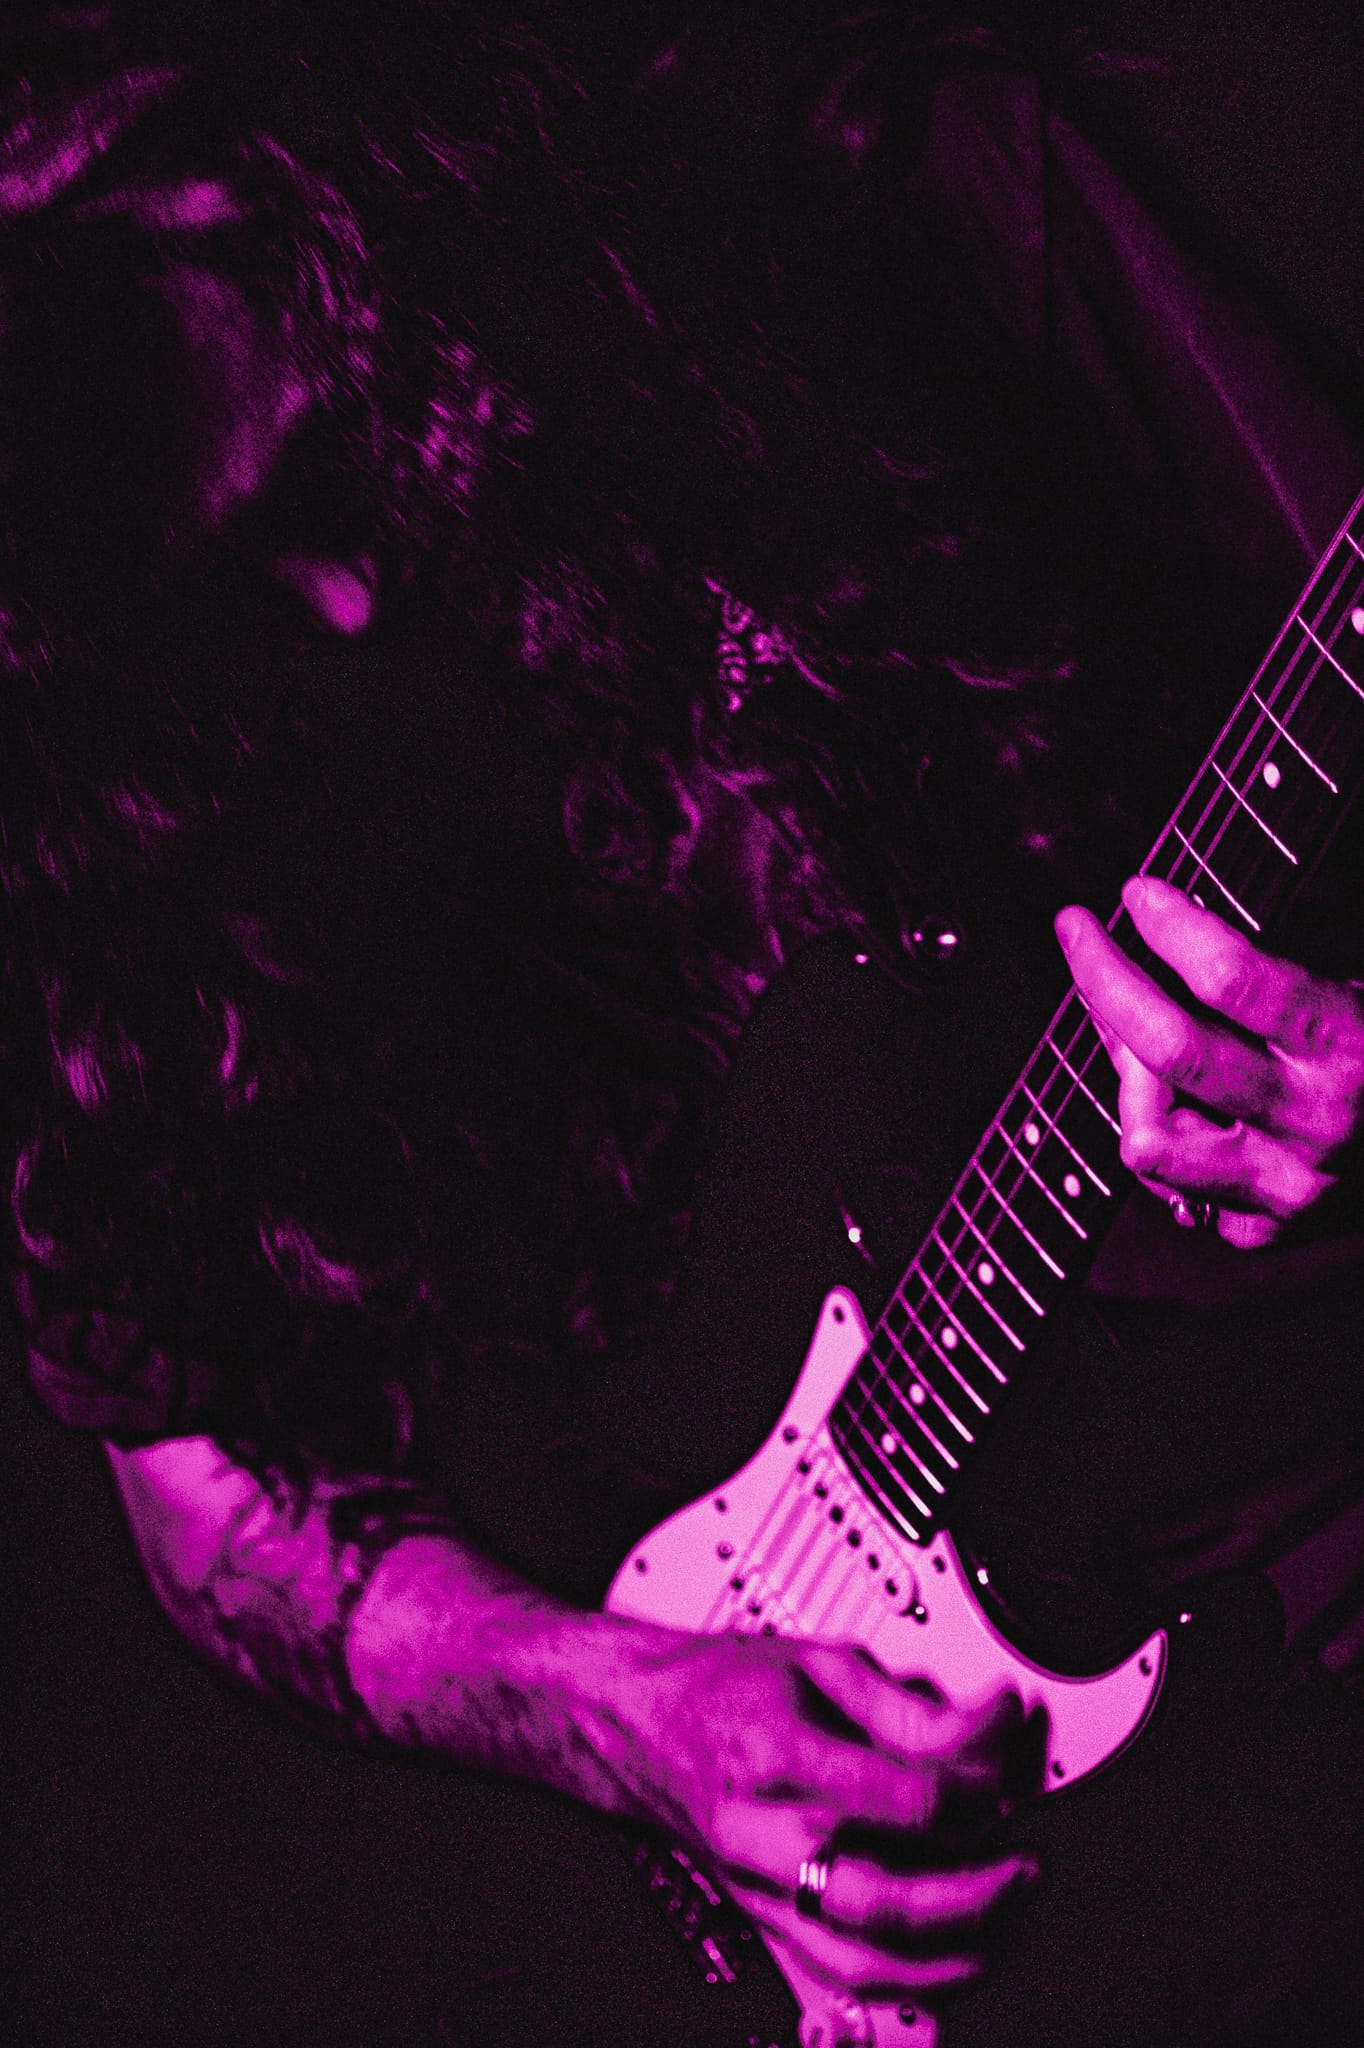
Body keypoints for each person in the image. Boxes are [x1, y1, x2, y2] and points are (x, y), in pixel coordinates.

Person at [3, 6, 1364, 2044]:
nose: (350, 610)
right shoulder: (94, 826)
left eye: (333, 481)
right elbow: (190, 1465)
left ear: (300, 190)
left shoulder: (890, 188)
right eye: (229, 619)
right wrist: (620, 1706)